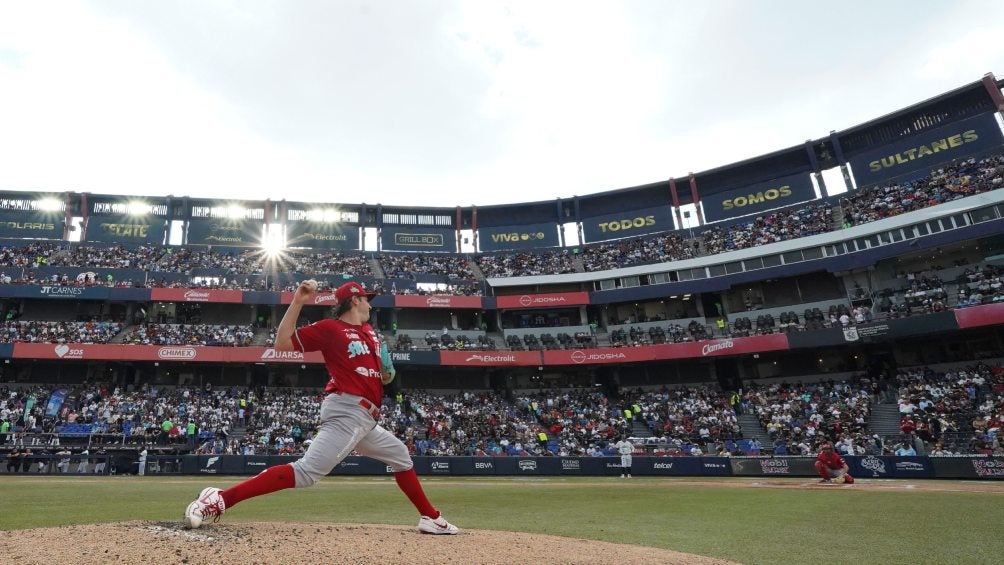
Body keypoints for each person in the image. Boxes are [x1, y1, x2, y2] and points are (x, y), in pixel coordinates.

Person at [183, 281, 458, 534]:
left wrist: (386, 373)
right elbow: (282, 343)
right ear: (354, 301)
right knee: (306, 473)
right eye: (366, 299)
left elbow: (383, 376)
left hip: (366, 418)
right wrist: (298, 301)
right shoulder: (330, 328)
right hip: (347, 410)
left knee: (400, 456)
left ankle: (430, 517)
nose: (370, 305)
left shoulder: (370, 334)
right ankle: (217, 499)